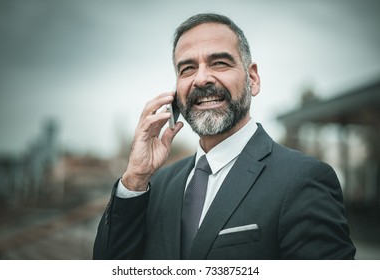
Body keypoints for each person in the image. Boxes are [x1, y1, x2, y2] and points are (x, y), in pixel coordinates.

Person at [93, 13, 356, 260]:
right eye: (187, 68)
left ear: (252, 78)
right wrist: (135, 178)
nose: (202, 79)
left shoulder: (303, 179)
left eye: (219, 63)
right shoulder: (155, 185)